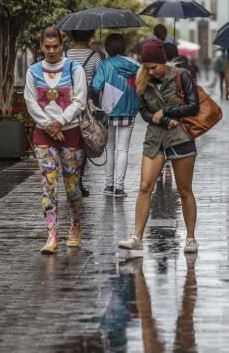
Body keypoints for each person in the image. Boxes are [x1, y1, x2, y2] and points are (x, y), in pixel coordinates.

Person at [119, 39, 200, 253]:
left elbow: (194, 106)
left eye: (154, 67)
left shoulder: (181, 75)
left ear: (163, 62)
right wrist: (161, 120)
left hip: (180, 137)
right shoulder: (142, 79)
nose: (151, 71)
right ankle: (137, 237)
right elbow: (144, 111)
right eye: (147, 67)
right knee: (145, 186)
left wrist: (167, 112)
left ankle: (190, 238)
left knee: (184, 190)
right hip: (155, 138)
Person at [24, 25, 87, 253]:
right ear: (41, 46)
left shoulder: (74, 69)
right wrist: (50, 126)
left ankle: (75, 226)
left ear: (62, 45)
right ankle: (51, 234)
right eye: (47, 46)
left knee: (72, 186)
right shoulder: (33, 72)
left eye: (56, 46)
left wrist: (60, 122)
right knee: (48, 184)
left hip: (70, 133)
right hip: (44, 134)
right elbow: (31, 103)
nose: (51, 51)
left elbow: (79, 101)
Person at [92, 33, 139, 197]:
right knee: (123, 149)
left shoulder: (104, 64)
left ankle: (109, 185)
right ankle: (120, 187)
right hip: (129, 110)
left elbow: (96, 86)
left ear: (108, 47)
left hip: (108, 110)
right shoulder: (135, 64)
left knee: (109, 148)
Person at [66, 29, 101, 197]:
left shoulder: (65, 54)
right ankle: (78, 180)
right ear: (88, 37)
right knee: (84, 140)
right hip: (87, 103)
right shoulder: (94, 56)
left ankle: (71, 178)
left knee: (70, 140)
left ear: (72, 37)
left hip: (67, 102)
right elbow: (99, 81)